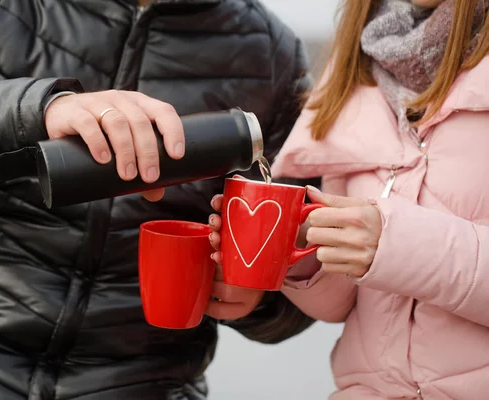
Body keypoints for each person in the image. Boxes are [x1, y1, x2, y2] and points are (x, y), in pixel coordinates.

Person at [0, 0, 317, 399]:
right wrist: (39, 112)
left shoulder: (273, 52)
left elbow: (307, 255)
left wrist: (262, 300)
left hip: (149, 386)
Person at [209, 0, 489, 398]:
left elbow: (390, 248)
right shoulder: (356, 65)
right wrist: (300, 246)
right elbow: (344, 305)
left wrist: (395, 245)